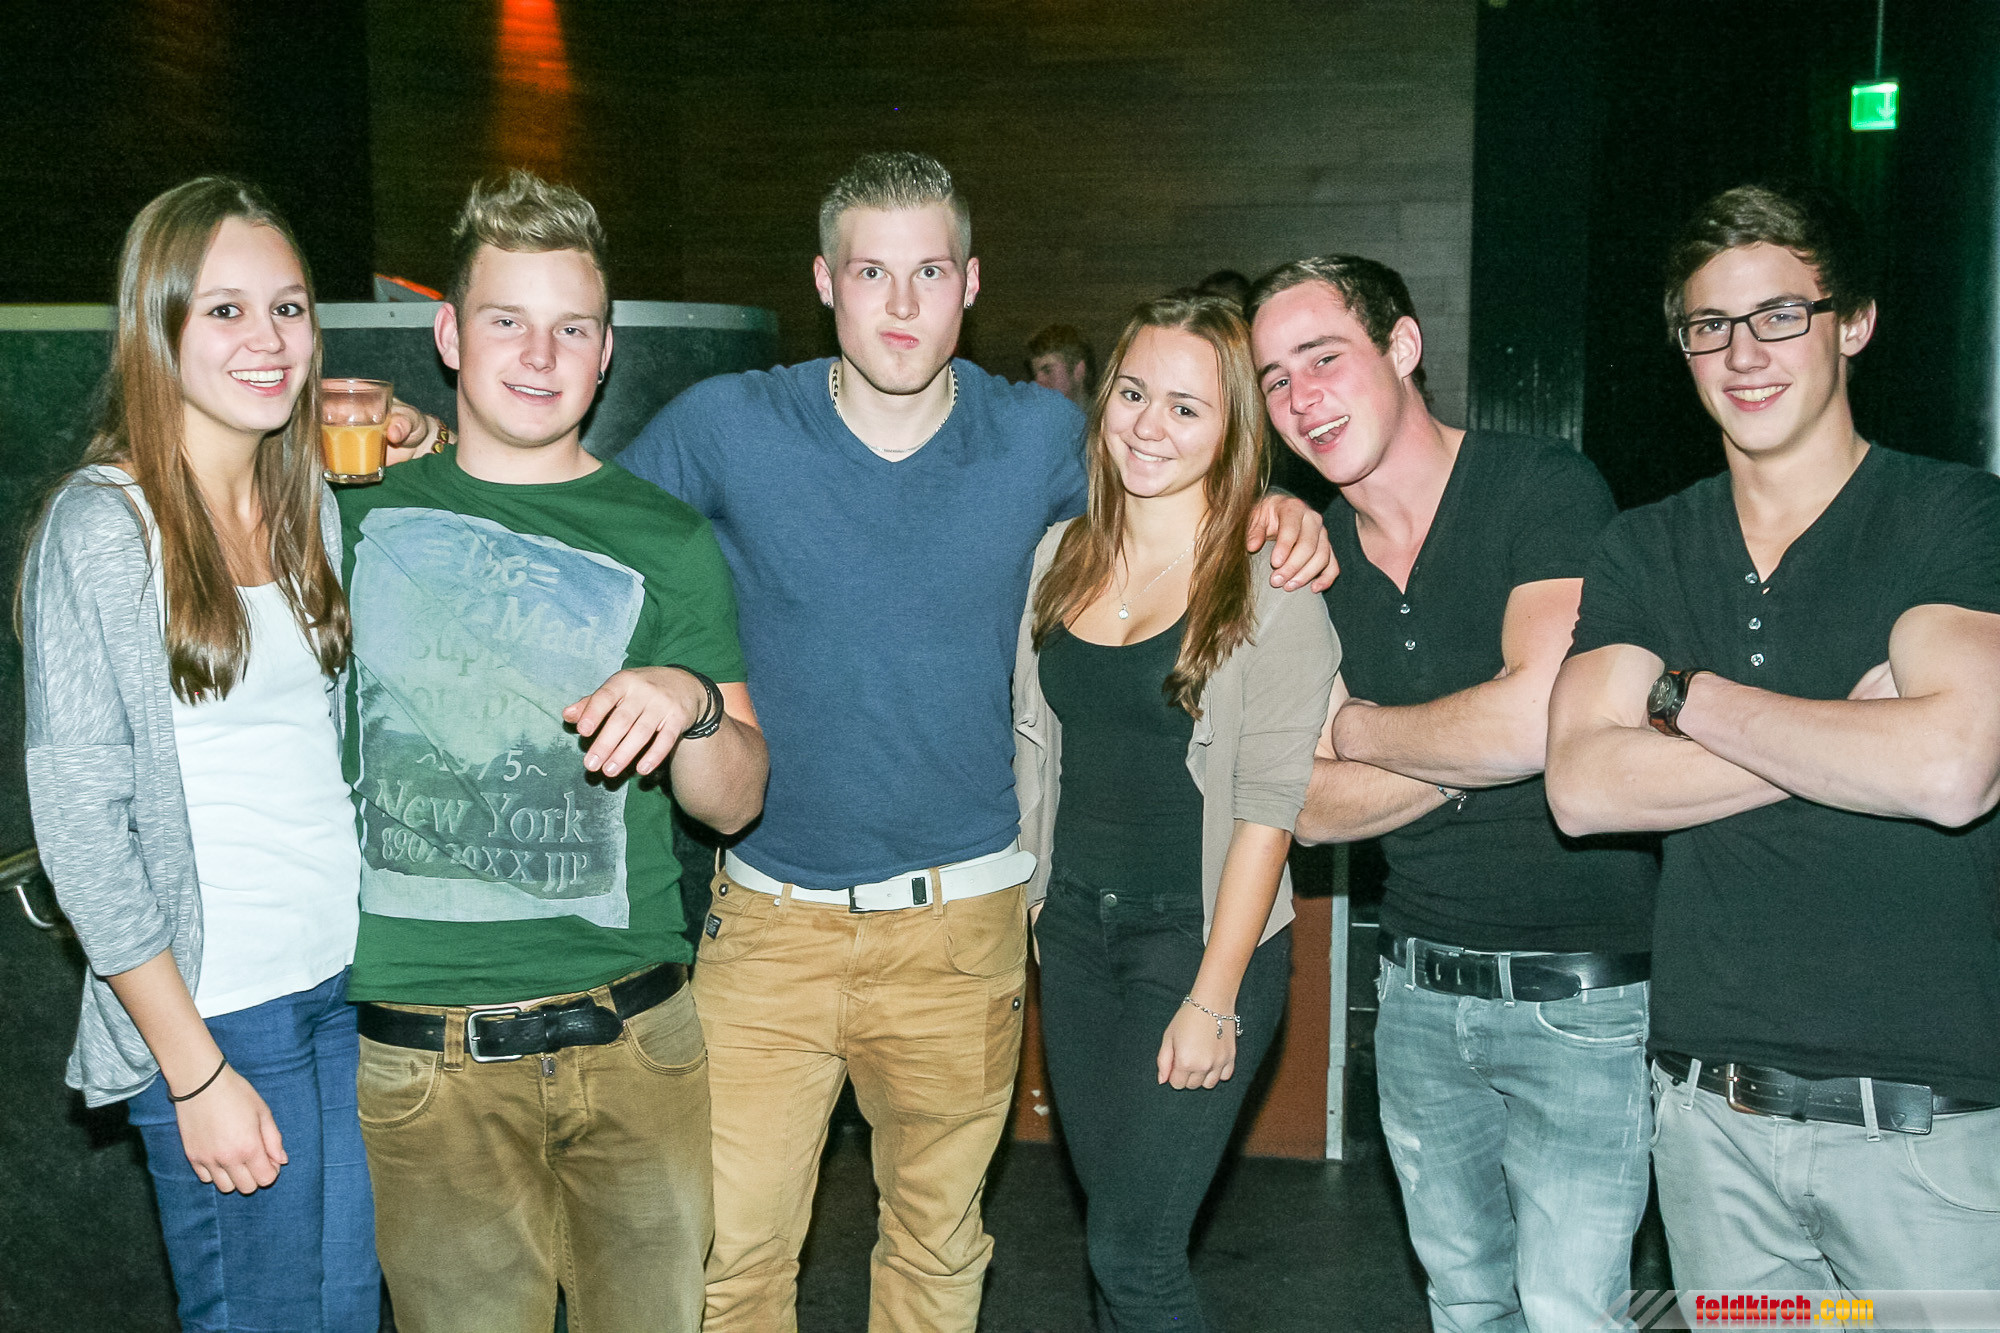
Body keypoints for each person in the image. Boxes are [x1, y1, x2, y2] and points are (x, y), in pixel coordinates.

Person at [615, 150, 1332, 1332]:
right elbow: (580, 525)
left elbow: (1172, 483)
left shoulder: (1040, 437)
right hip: (768, 924)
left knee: (938, 1256)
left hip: (961, 928)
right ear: (824, 283)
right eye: (871, 273)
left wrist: (1273, 504)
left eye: (929, 272)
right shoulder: (726, 424)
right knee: (729, 1263)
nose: (901, 303)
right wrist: (435, 445)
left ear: (970, 283)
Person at [1546, 184, 2000, 1303]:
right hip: (1712, 1126)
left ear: (1854, 323)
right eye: (1710, 325)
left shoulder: (1953, 515)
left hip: (1923, 1131)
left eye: (1780, 315)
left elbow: (1950, 769)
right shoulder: (1644, 545)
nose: (1742, 354)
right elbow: (1582, 787)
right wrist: (1847, 728)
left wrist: (1684, 693)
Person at [338, 170, 767, 1333]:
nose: (539, 354)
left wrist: (692, 703)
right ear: (448, 336)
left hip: (631, 1045)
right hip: (426, 1060)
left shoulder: (667, 538)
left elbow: (733, 804)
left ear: (606, 351)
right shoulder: (348, 514)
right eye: (506, 320)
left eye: (571, 328)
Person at [1249, 254, 1659, 1332]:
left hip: (1582, 996)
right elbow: (1305, 807)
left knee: (1571, 1310)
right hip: (1417, 996)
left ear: (1402, 346)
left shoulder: (1539, 486)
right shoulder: (1308, 554)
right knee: (1467, 1305)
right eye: (1276, 378)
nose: (1300, 398)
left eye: (1322, 358)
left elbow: (1539, 719)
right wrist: (1477, 750)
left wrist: (1359, 730)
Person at [20, 177, 381, 1332]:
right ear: (157, 323)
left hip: (339, 989)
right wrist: (194, 1070)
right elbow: (83, 834)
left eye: (288, 308)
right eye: (224, 310)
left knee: (344, 1313)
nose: (267, 339)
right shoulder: (104, 528)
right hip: (222, 1018)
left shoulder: (308, 505)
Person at [1013, 293, 1338, 1331]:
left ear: (1232, 430)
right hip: (1073, 936)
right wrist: (1035, 910)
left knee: (1134, 1252)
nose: (1148, 426)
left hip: (1197, 943)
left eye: (1186, 408)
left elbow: (1267, 812)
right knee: (1115, 1237)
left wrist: (1213, 996)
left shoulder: (1270, 583)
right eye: (1132, 393)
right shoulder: (1058, 556)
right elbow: (1038, 748)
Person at [1028, 322, 1096, 407]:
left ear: (1078, 371)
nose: (1036, 384)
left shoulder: (1105, 413)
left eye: (1048, 371)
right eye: (1034, 375)